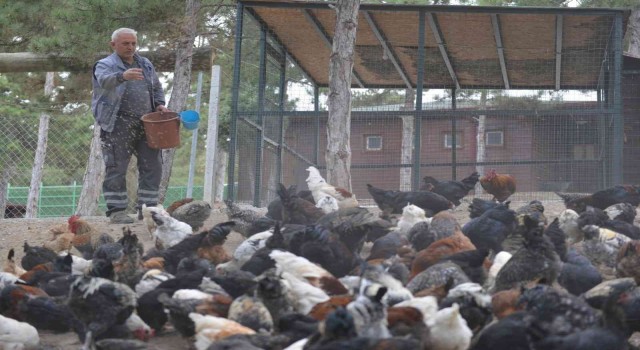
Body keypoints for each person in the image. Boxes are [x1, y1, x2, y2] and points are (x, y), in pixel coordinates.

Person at [91, 28, 169, 224]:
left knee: (153, 165)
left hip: (146, 122)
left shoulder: (145, 64)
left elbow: (157, 87)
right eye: (126, 43)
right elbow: (104, 81)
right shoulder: (105, 65)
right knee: (116, 167)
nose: (131, 47)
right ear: (113, 45)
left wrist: (160, 104)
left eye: (133, 43)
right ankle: (117, 211)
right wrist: (123, 76)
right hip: (117, 122)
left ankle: (148, 209)